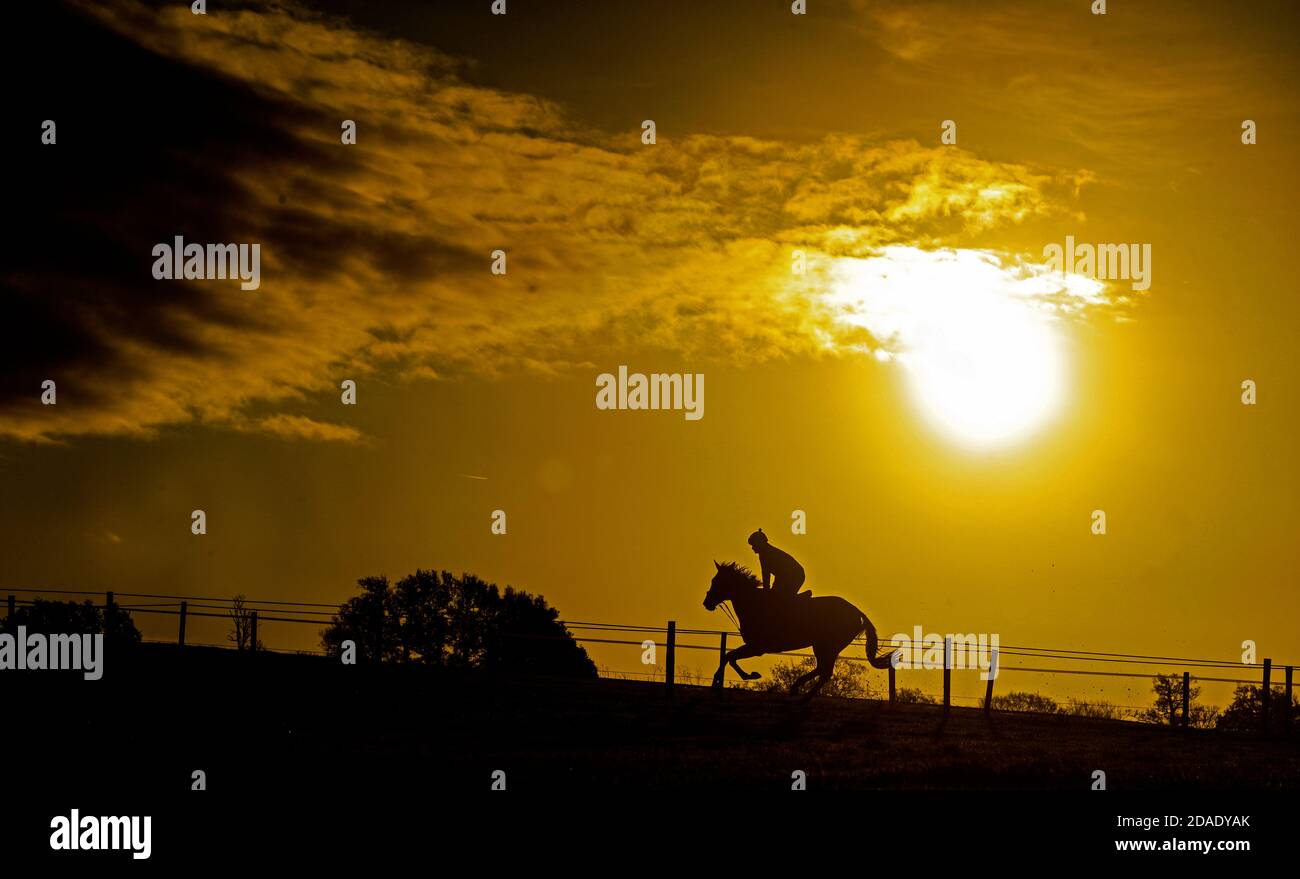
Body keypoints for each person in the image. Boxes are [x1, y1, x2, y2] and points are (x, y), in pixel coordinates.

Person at [747, 529, 807, 599]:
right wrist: (767, 589)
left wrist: (767, 589)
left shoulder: (766, 554)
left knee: (780, 597)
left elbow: (766, 573)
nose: (752, 548)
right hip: (787, 575)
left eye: (754, 545)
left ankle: (800, 600)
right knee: (776, 595)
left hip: (794, 575)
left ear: (760, 543)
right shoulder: (765, 553)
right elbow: (767, 573)